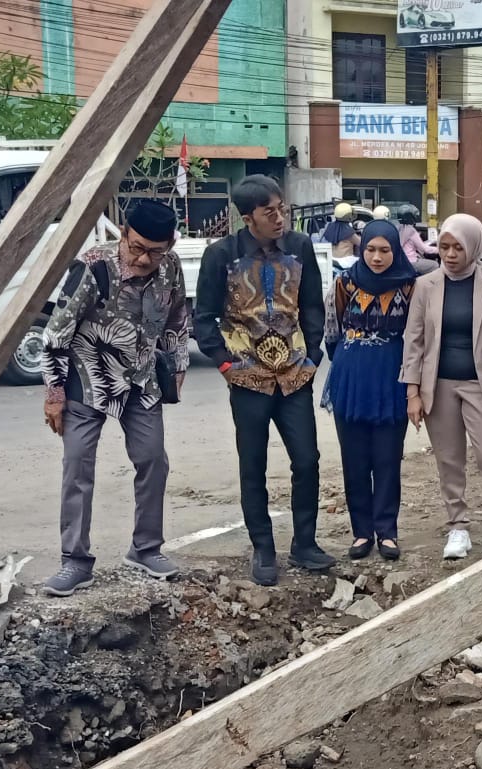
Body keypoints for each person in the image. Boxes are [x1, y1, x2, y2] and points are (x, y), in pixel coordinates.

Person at [40, 200, 188, 597]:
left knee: (153, 460)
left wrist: (177, 365)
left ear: (170, 244)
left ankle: (146, 548)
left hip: (141, 382)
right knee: (77, 467)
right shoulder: (92, 267)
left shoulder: (170, 268)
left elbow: (177, 320)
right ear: (123, 233)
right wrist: (54, 394)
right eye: (137, 247)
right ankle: (75, 561)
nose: (144, 259)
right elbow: (54, 335)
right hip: (87, 381)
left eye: (155, 251)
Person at [195, 175, 336, 587]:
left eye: (282, 208)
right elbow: (204, 316)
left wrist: (312, 355)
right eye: (269, 212)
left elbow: (312, 304)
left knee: (307, 460)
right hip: (247, 377)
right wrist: (225, 364)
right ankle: (263, 548)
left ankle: (305, 544)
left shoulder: (300, 247)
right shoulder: (221, 255)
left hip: (295, 375)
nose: (280, 218)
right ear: (248, 218)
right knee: (252, 464)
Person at [399, 212, 482, 561]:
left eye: (458, 247)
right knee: (448, 460)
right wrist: (412, 391)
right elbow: (415, 341)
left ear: (474, 247)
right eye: (444, 246)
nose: (450, 254)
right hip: (438, 387)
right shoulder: (427, 285)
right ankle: (458, 527)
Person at [326, 219, 418, 561]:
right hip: (350, 378)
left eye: (385, 250)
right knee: (354, 459)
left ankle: (387, 532)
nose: (377, 257)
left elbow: (416, 333)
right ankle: (361, 532)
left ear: (395, 250)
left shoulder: (410, 285)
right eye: (370, 249)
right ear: (361, 250)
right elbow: (332, 329)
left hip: (392, 378)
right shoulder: (345, 281)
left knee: (387, 458)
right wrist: (350, 360)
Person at [395, 204, 439, 274]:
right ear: (411, 217)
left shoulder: (397, 228)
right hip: (411, 262)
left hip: (400, 262)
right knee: (435, 265)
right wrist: (439, 250)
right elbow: (424, 249)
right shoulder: (411, 231)